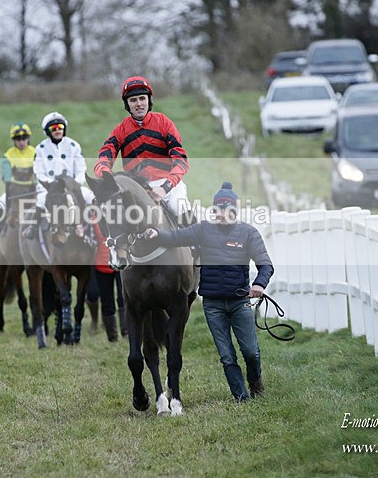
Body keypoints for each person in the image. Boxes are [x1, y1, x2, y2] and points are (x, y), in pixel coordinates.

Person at [143, 182, 274, 401]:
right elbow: (175, 237)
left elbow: (266, 265)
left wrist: (259, 284)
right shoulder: (203, 229)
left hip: (240, 302)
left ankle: (255, 381)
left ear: (234, 210)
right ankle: (241, 397)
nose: (222, 214)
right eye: (219, 209)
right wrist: (156, 233)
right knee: (227, 355)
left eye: (227, 209)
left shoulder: (248, 233)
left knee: (250, 351)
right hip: (213, 305)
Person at [94, 75, 191, 221]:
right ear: (127, 104)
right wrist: (106, 175)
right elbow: (104, 157)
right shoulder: (120, 130)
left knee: (181, 211)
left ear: (148, 100)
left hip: (169, 185)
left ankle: (196, 235)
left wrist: (165, 187)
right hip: (138, 188)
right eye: (133, 100)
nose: (138, 104)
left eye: (142, 98)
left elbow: (181, 161)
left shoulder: (164, 123)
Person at [24, 111, 93, 239]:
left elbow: (81, 168)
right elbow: (38, 172)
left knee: (90, 196)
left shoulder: (73, 145)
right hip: (49, 187)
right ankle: (33, 228)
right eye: (53, 128)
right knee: (41, 200)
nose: (57, 130)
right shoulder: (40, 148)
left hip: (72, 186)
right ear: (48, 131)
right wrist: (51, 185)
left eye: (60, 127)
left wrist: (75, 183)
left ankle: (100, 228)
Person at [0, 122, 36, 238]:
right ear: (14, 140)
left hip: (32, 188)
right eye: (18, 139)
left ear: (28, 138)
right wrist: (8, 178)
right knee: (1, 202)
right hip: (16, 189)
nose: (21, 142)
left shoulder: (35, 152)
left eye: (24, 138)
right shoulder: (8, 155)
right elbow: (6, 171)